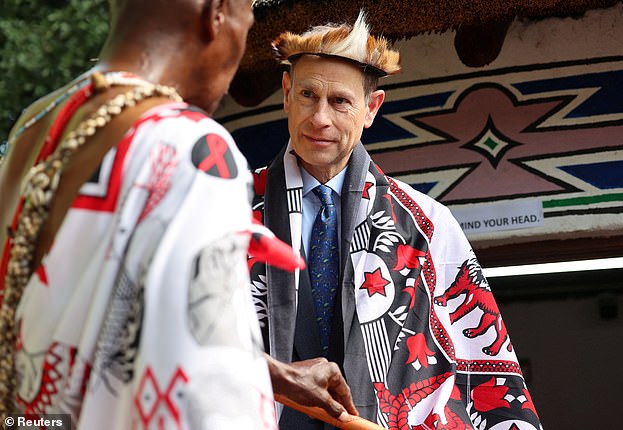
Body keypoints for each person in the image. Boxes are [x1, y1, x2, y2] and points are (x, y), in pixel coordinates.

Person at [0, 0, 356, 427]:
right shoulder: (192, 150)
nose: (244, 37)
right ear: (217, 12)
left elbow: (77, 318)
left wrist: (271, 372)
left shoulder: (35, 125)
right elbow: (207, 401)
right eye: (248, 16)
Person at [249, 11, 543, 430]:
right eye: (307, 95)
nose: (320, 119)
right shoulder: (226, 210)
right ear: (285, 93)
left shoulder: (427, 224)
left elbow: (483, 362)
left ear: (371, 108)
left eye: (340, 102)